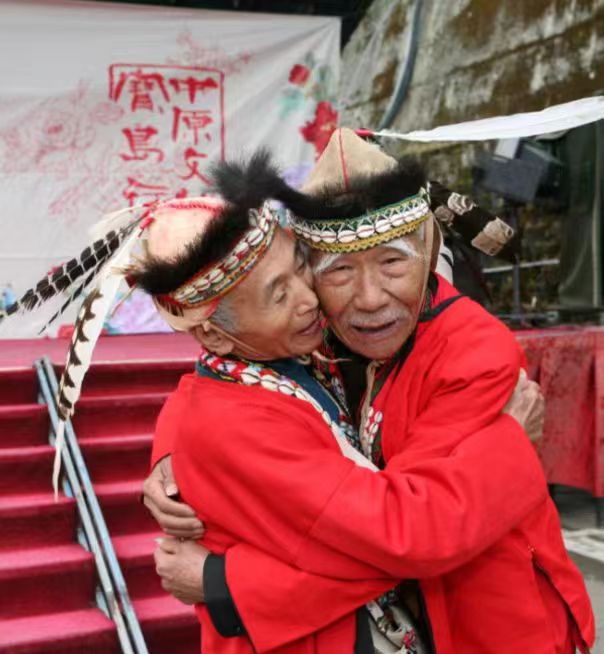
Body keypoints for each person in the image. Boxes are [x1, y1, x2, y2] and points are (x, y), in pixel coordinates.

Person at [145, 138, 594, 654]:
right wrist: (173, 454)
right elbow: (218, 380)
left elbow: (412, 534)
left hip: (498, 629)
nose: (370, 298)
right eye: (338, 270)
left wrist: (226, 584)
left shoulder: (473, 353)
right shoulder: (322, 332)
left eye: (392, 263)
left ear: (428, 251)